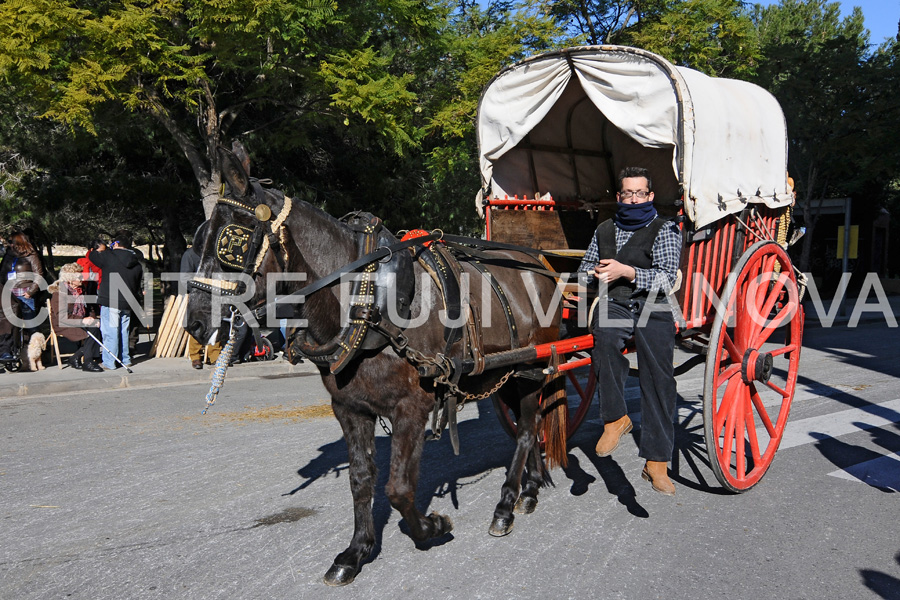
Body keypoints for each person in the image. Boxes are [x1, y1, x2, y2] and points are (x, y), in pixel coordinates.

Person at [578, 166, 682, 496]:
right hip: (617, 302)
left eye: (639, 193)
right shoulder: (604, 230)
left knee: (658, 376)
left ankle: (657, 462)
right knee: (604, 342)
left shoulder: (665, 229)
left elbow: (667, 278)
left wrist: (628, 271)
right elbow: (583, 272)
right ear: (619, 195)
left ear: (650, 196)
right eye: (627, 193)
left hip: (653, 302)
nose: (633, 199)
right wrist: (593, 275)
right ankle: (616, 418)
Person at [88, 230, 144, 370]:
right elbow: (138, 284)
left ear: (116, 244)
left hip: (111, 300)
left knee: (110, 332)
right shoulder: (136, 263)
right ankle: (125, 358)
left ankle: (109, 361)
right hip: (128, 301)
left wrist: (105, 247)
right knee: (123, 331)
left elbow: (92, 255)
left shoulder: (109, 256)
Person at [49, 263, 104, 372]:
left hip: (79, 320)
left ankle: (75, 357)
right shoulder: (59, 293)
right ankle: (88, 362)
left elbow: (89, 308)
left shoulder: (81, 289)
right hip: (64, 323)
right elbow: (62, 317)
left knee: (100, 327)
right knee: (92, 332)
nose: (82, 278)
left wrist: (92, 318)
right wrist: (83, 320)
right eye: (79, 276)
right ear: (70, 279)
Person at [180, 221, 221, 369]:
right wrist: (197, 289)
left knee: (215, 325)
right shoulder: (190, 255)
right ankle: (195, 357)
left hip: (214, 294)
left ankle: (214, 355)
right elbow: (184, 278)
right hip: (197, 295)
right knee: (197, 325)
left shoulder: (214, 255)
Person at [0, 231, 45, 359]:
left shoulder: (31, 255)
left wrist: (31, 291)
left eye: (11, 241)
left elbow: (39, 275)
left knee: (30, 323)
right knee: (8, 323)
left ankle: (35, 355)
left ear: (18, 241)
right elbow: (2, 272)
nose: (9, 244)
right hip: (9, 293)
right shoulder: (8, 255)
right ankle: (8, 351)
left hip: (25, 293)